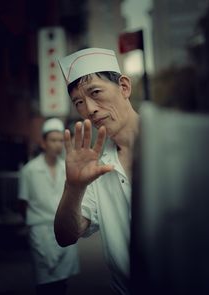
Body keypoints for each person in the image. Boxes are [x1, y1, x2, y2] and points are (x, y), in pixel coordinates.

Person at [54, 48, 139, 294]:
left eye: (96, 92)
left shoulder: (178, 143)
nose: (89, 109)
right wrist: (74, 187)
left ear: (124, 86)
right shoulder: (95, 167)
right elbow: (66, 236)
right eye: (78, 102)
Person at [18, 118, 79, 295]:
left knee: (62, 283)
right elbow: (23, 203)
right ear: (43, 143)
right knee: (45, 284)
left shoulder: (67, 168)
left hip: (64, 229)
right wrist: (33, 224)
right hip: (40, 232)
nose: (58, 145)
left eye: (61, 140)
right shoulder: (29, 170)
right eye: (53, 140)